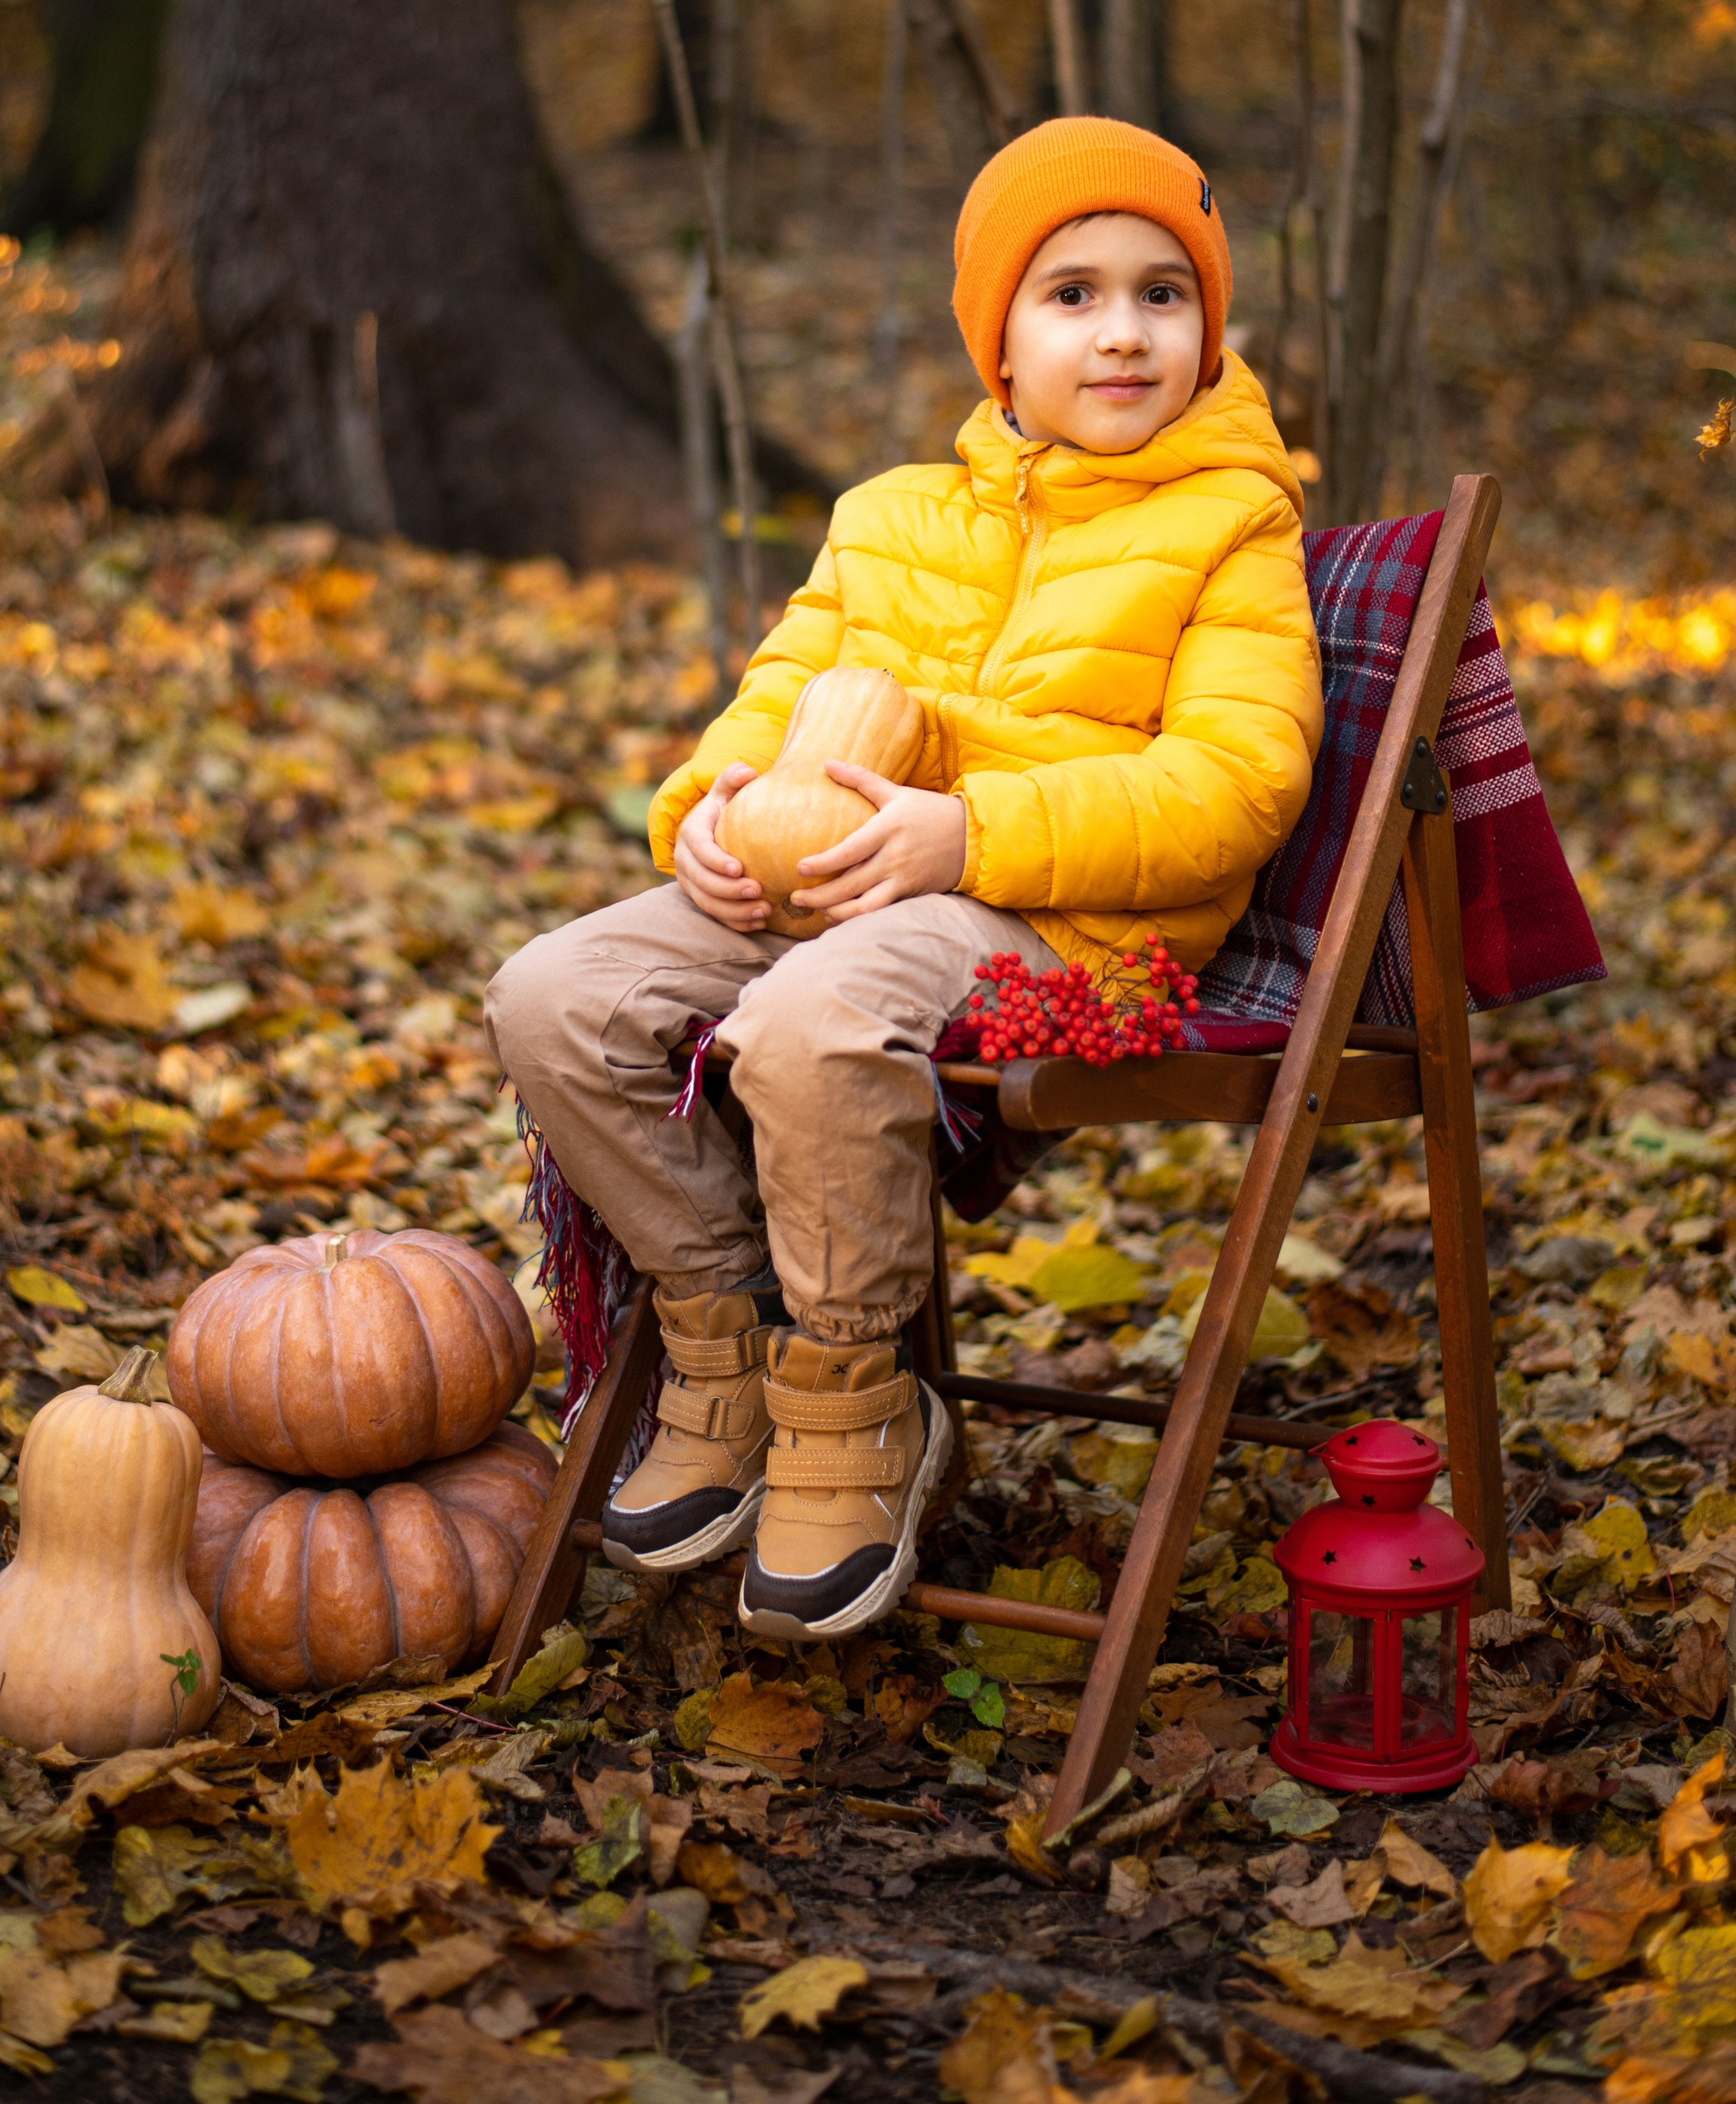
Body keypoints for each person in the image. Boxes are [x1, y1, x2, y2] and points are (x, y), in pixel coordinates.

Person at [486, 117, 1323, 1641]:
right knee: (556, 994)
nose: (1122, 332)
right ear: (996, 337)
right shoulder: (885, 517)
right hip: (831, 882)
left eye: (1163, 294)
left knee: (809, 1019)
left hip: (1064, 916)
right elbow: (776, 692)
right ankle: (724, 1332)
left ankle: (854, 1394)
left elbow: (1234, 785)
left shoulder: (1234, 525)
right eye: (1070, 294)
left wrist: (971, 833)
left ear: (1209, 330)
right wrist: (708, 808)